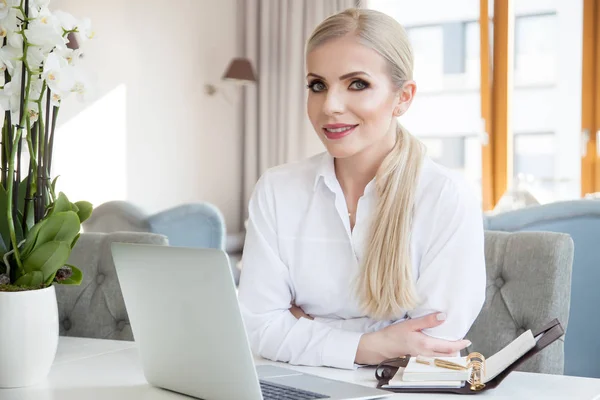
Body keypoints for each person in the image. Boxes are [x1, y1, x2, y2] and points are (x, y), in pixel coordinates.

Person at [237, 7, 486, 370]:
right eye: (317, 85)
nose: (330, 106)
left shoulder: (445, 197)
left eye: (357, 84)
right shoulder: (277, 189)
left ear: (403, 97)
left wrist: (307, 327)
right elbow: (259, 326)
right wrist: (374, 343)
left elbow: (432, 344)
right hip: (295, 385)